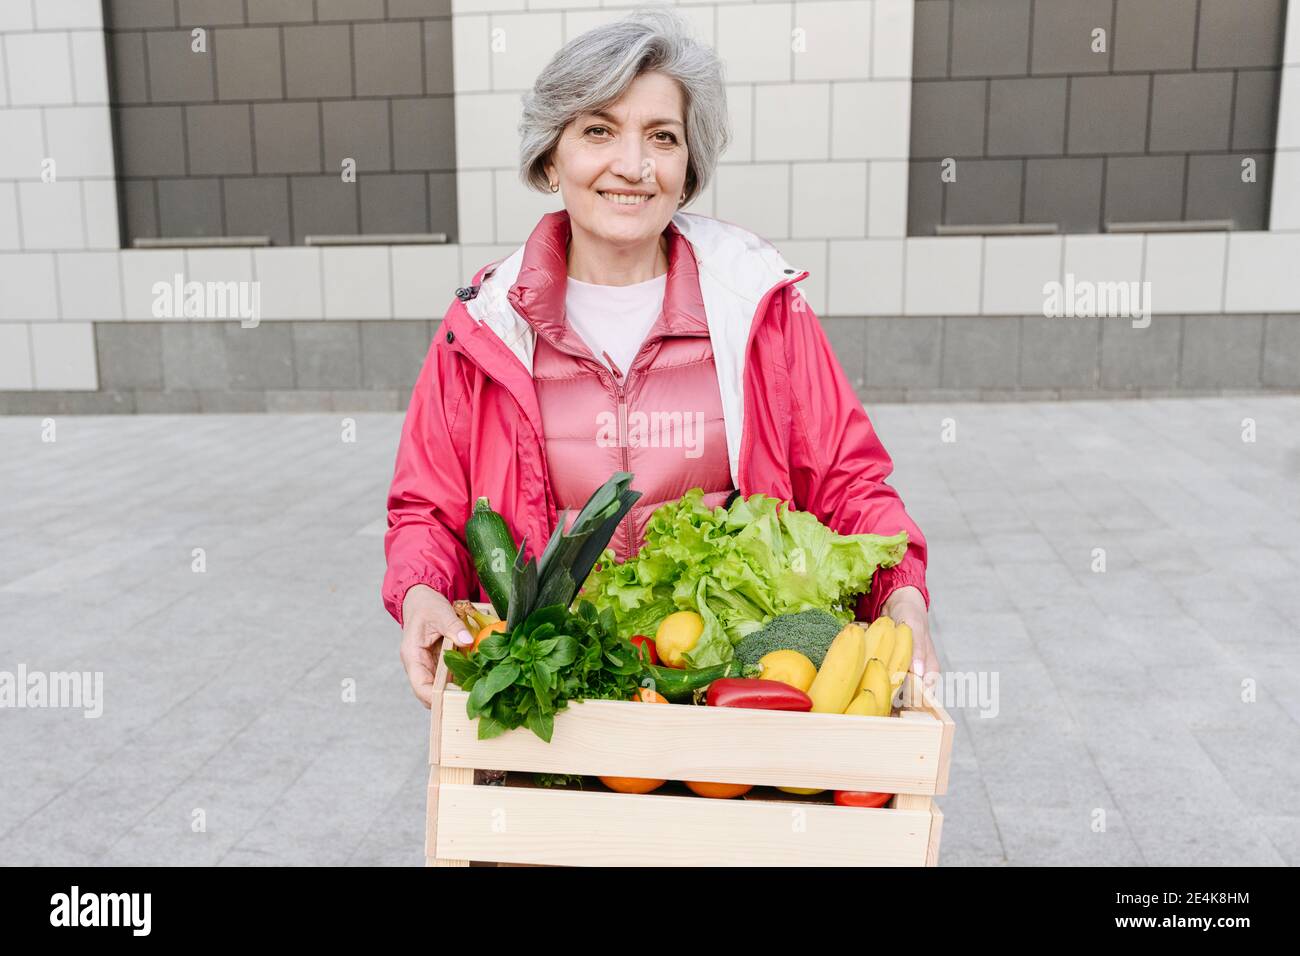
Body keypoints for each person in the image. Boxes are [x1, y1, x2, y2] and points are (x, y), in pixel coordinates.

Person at [384, 7, 937, 707]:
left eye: (662, 137)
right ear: (552, 158)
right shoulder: (485, 325)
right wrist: (422, 592)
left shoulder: (757, 306)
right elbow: (426, 509)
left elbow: (851, 483)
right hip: (554, 694)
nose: (633, 165)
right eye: (598, 130)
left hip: (729, 699)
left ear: (687, 167)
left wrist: (902, 596)